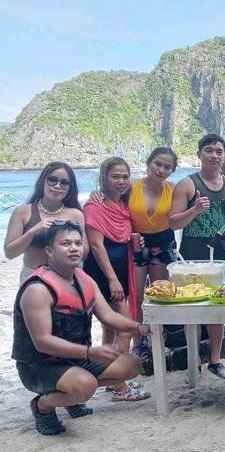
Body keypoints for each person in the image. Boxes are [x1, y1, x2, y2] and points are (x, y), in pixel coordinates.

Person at [13, 222, 151, 435]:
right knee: (84, 386)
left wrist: (140, 327)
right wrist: (89, 352)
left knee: (131, 365)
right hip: (38, 366)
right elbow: (42, 341)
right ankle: (44, 406)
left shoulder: (83, 278)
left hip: (74, 359)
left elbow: (108, 316)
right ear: (49, 250)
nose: (74, 248)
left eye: (78, 243)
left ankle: (70, 392)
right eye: (65, 243)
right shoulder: (38, 289)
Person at [169, 133, 225, 381]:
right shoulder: (187, 185)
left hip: (222, 257)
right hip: (191, 258)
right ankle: (194, 360)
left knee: (218, 310)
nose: (214, 155)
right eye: (209, 150)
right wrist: (195, 210)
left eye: (219, 151)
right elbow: (172, 223)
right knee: (192, 311)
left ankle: (215, 359)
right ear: (200, 153)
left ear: (224, 156)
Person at [81, 157, 149, 399]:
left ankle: (110, 379)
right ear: (104, 178)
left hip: (121, 268)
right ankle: (119, 384)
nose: (121, 181)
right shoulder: (94, 206)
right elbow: (97, 246)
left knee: (109, 328)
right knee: (125, 326)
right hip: (103, 272)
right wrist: (112, 279)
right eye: (115, 176)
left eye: (124, 176)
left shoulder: (123, 205)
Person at [126, 147, 178, 351]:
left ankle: (158, 338)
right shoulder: (131, 185)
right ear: (149, 164)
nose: (161, 170)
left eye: (167, 167)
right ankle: (137, 341)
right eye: (158, 164)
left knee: (159, 295)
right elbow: (108, 194)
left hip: (163, 244)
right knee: (136, 296)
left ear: (172, 171)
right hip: (136, 243)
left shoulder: (173, 189)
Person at [5, 162, 87, 282]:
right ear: (42, 181)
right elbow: (10, 253)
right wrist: (33, 231)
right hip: (34, 277)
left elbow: (84, 253)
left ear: (70, 188)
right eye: (52, 180)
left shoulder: (76, 214)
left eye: (64, 183)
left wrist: (68, 242)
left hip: (69, 276)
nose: (58, 186)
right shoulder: (23, 212)